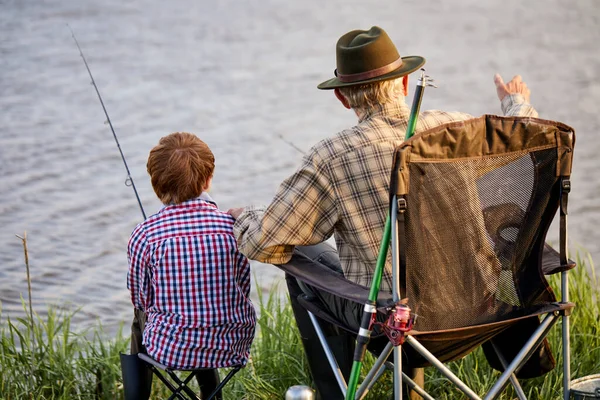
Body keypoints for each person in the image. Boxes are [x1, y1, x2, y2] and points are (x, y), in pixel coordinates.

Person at [228, 26, 537, 399]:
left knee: (304, 257)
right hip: (481, 310)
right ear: (404, 82)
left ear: (343, 97)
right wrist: (515, 104)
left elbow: (266, 243)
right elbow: (526, 138)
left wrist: (246, 215)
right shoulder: (454, 131)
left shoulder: (332, 157)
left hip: (390, 326)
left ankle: (334, 393)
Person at [127, 132, 256, 399]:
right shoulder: (232, 228)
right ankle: (212, 394)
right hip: (232, 345)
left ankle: (136, 396)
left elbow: (140, 298)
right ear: (208, 179)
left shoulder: (145, 234)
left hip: (170, 350)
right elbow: (243, 286)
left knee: (140, 315)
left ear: (156, 185)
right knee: (206, 306)